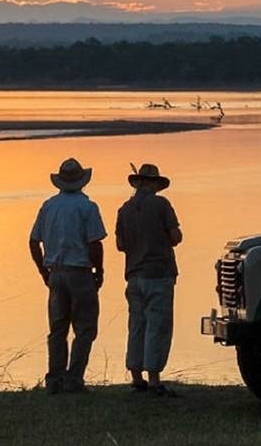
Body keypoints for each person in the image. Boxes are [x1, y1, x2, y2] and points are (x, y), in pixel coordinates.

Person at [28, 158, 107, 395]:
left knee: (57, 328)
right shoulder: (87, 207)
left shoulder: (49, 206)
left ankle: (55, 379)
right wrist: (99, 271)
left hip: (56, 274)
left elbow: (33, 241)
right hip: (79, 272)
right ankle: (73, 379)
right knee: (85, 328)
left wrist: (43, 270)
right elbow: (95, 244)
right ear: (82, 181)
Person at [115, 163, 183, 396]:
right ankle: (154, 379)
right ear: (153, 183)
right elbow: (176, 237)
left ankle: (136, 376)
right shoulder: (161, 205)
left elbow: (120, 245)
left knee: (136, 325)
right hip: (159, 273)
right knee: (158, 325)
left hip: (133, 275)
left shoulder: (124, 209)